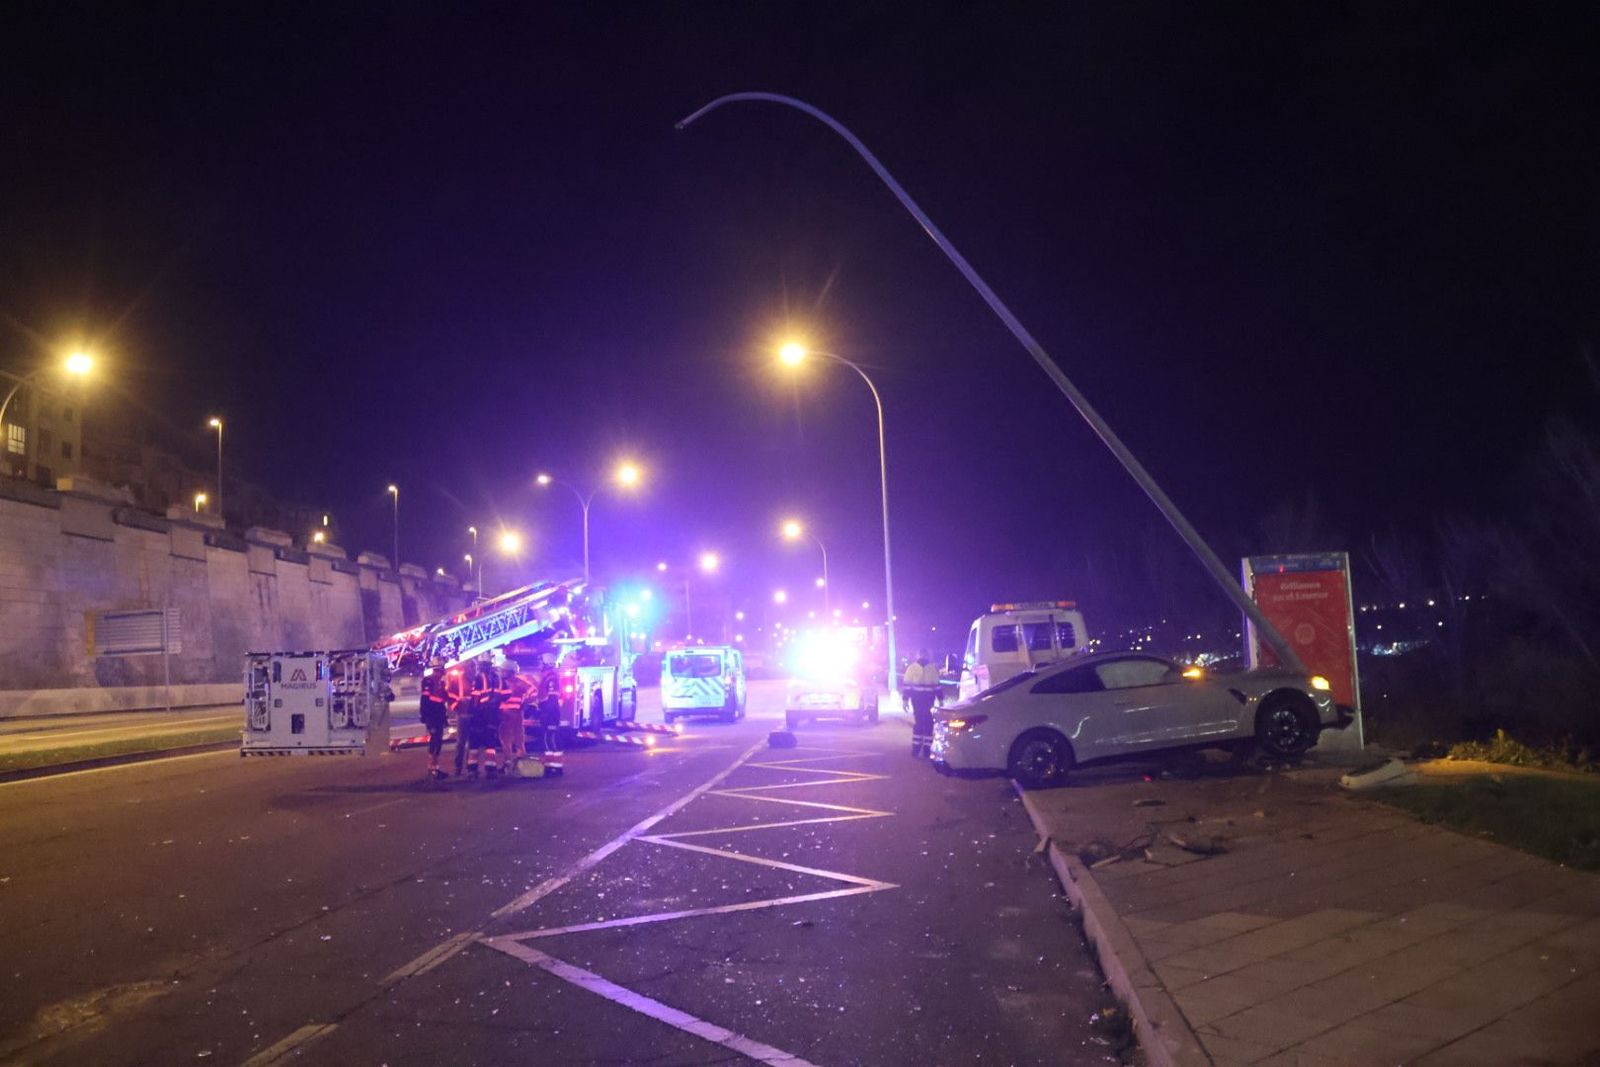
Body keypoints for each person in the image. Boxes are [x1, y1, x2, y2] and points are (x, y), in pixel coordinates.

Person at [902, 649, 942, 758]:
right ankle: (926, 751)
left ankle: (916, 750)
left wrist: (905, 700)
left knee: (920, 723)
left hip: (917, 701)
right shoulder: (932, 668)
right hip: (928, 701)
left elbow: (907, 686)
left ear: (917, 655)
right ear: (928, 656)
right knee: (928, 724)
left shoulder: (912, 668)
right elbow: (937, 686)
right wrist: (941, 699)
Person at [419, 656, 450, 780]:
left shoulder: (440, 682)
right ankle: (432, 769)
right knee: (435, 742)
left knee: (438, 742)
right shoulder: (429, 681)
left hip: (439, 716)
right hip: (432, 716)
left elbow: (443, 700)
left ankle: (435, 768)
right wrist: (425, 716)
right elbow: (425, 700)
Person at [497, 659, 531, 772]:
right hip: (518, 713)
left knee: (505, 739)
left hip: (506, 715)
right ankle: (520, 761)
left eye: (503, 671)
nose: (501, 672)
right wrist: (525, 703)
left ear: (508, 671)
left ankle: (508, 763)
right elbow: (533, 692)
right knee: (519, 738)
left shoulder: (502, 683)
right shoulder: (521, 682)